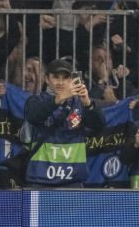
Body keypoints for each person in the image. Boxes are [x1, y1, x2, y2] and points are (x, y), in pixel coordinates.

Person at [24, 59, 105, 187]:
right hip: (40, 181)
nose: (60, 82)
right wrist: (58, 99)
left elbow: (99, 126)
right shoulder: (36, 100)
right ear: (47, 79)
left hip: (73, 182)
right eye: (56, 77)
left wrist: (88, 104)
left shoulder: (80, 103)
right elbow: (33, 116)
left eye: (65, 78)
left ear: (71, 80)